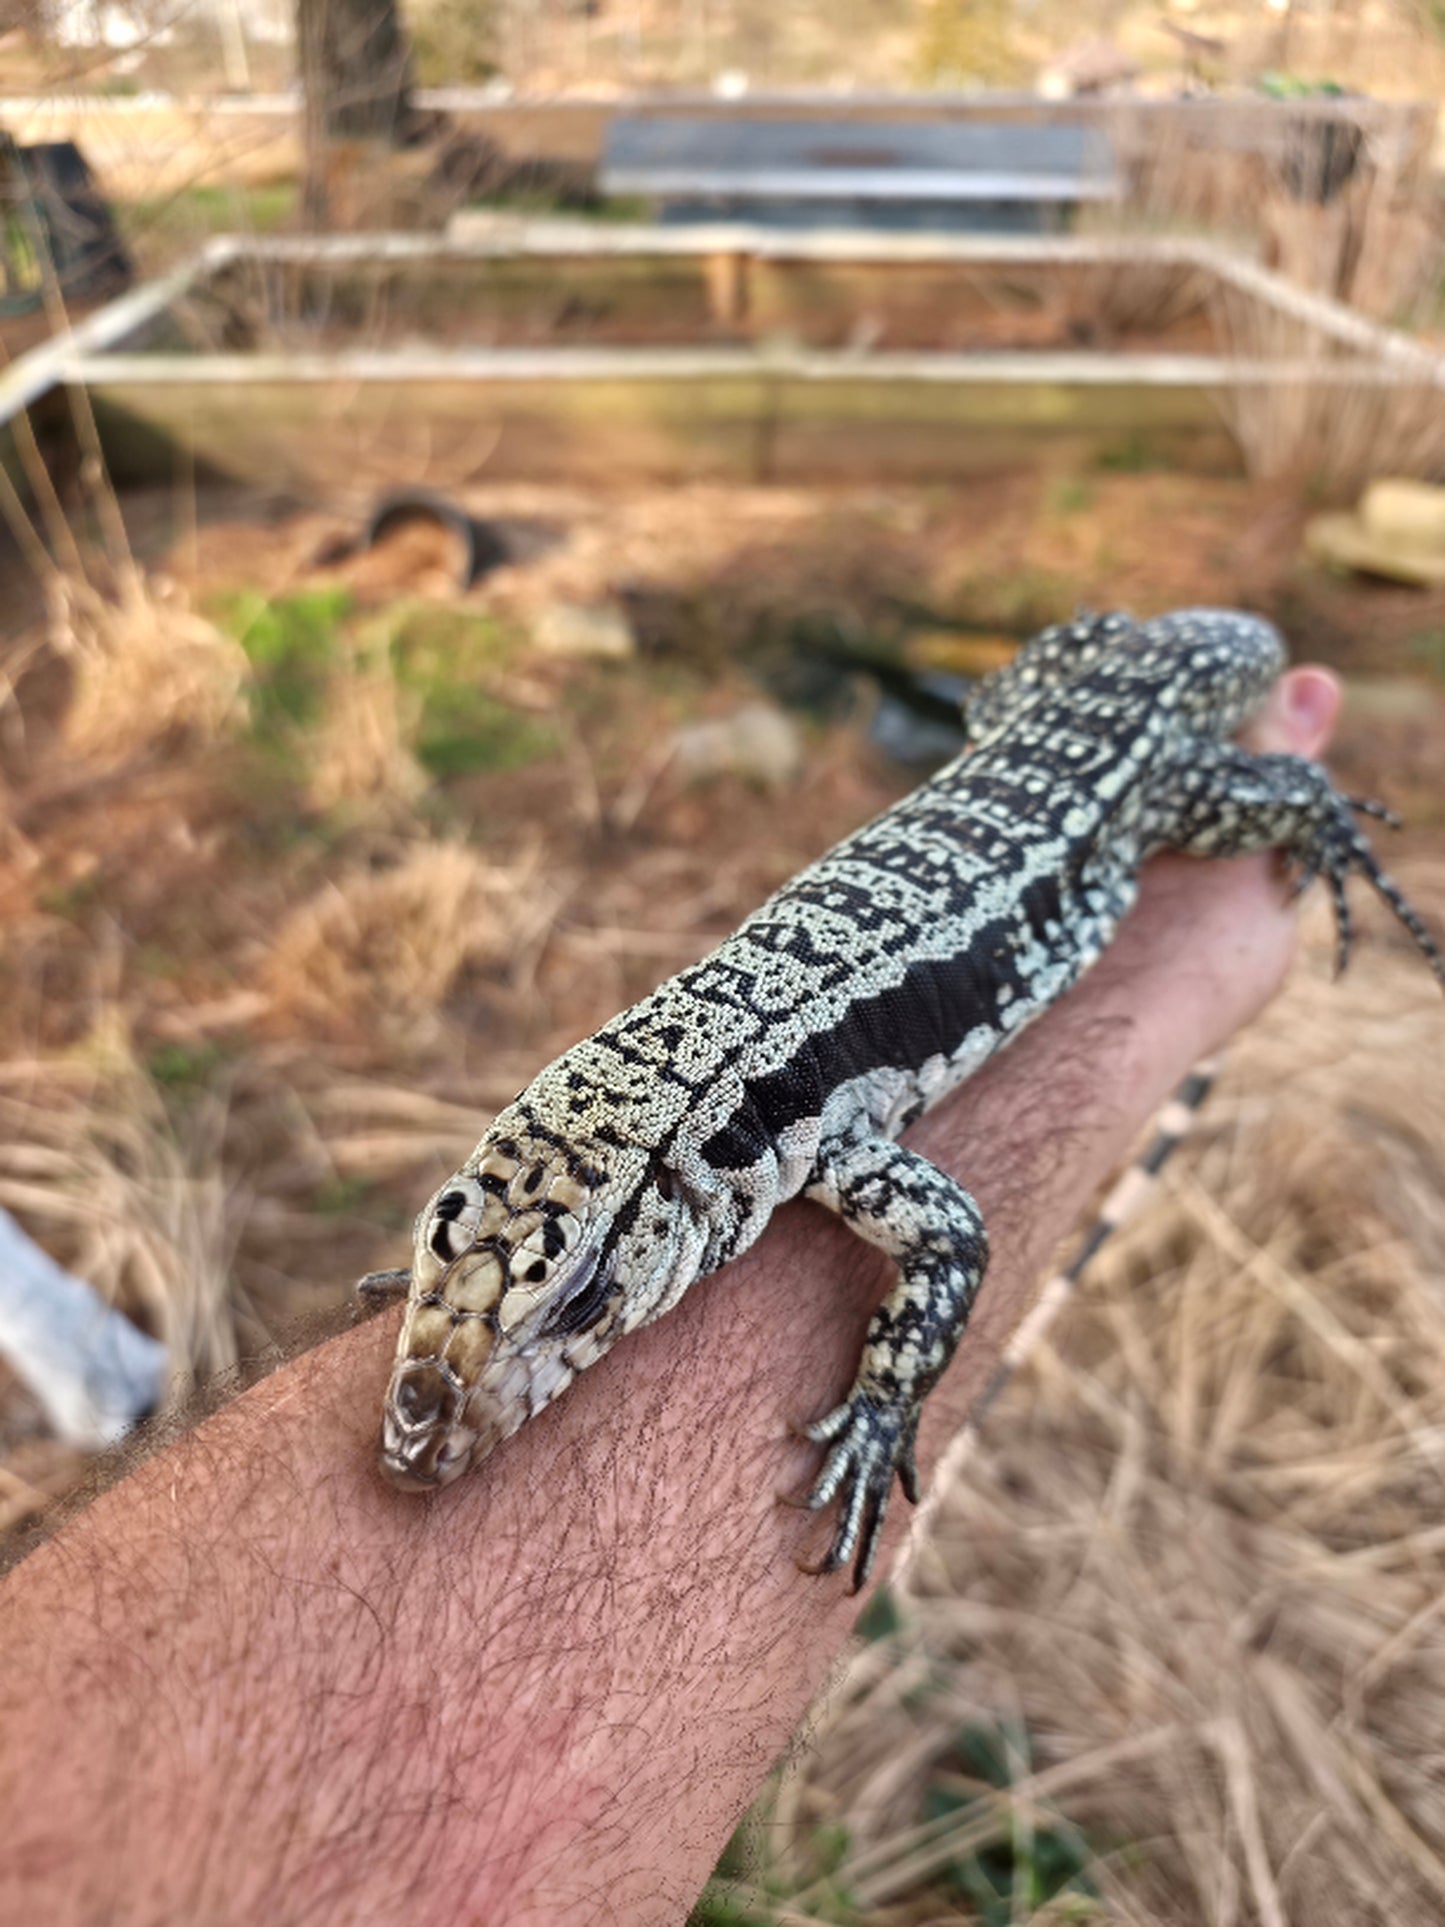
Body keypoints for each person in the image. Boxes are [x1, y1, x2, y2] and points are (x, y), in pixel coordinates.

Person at [0, 671, 1342, 1925]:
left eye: (573, 1305)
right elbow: (546, 1182)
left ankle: (1318, 812)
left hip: (1125, 762)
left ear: (699, 1197)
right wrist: (470, 1297)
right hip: (1027, 751)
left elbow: (944, 1240)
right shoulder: (628, 1127)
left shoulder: (796, 1132)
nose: (472, 1395)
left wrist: (883, 1409)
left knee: (1279, 800)